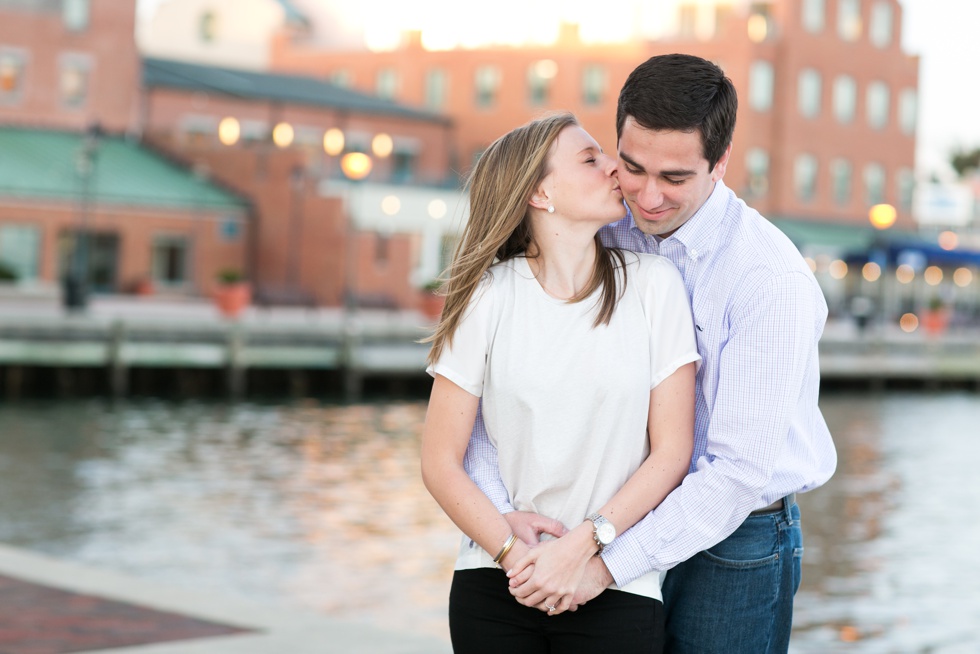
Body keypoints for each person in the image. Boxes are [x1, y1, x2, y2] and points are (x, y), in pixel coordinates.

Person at [466, 54, 838, 653]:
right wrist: (507, 524)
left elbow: (739, 472)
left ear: (720, 165)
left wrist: (602, 565)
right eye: (632, 167)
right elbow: (499, 384)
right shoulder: (604, 225)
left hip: (733, 538)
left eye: (675, 178)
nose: (647, 195)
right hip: (607, 517)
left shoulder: (769, 279)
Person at [420, 111, 701, 653]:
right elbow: (439, 461)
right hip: (498, 577)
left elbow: (673, 451)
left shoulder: (654, 287)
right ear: (540, 193)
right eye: (590, 159)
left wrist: (585, 545)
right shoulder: (489, 296)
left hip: (613, 580)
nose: (613, 168)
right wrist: (513, 553)